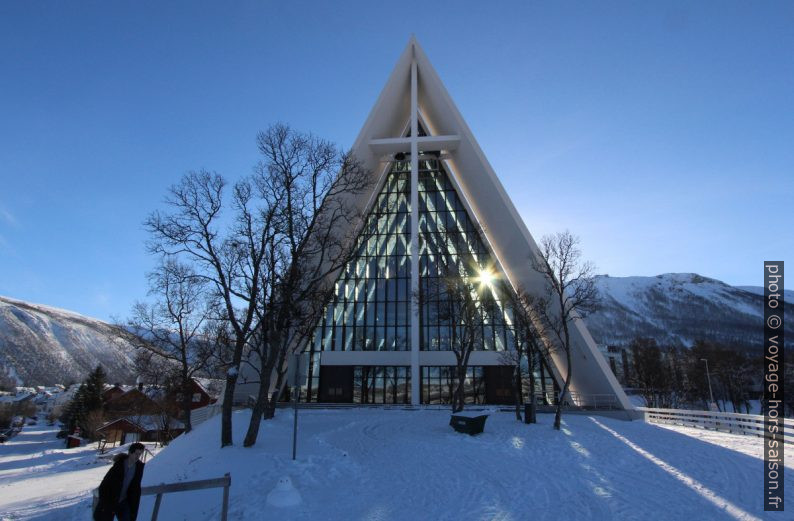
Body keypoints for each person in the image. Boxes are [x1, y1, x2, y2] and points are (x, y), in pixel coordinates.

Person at [94, 442, 146, 521]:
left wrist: (133, 502)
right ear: (130, 452)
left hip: (124, 501)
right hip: (110, 500)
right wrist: (105, 499)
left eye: (140, 454)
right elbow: (105, 483)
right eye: (136, 453)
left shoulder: (139, 467)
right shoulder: (119, 464)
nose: (137, 456)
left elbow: (135, 487)